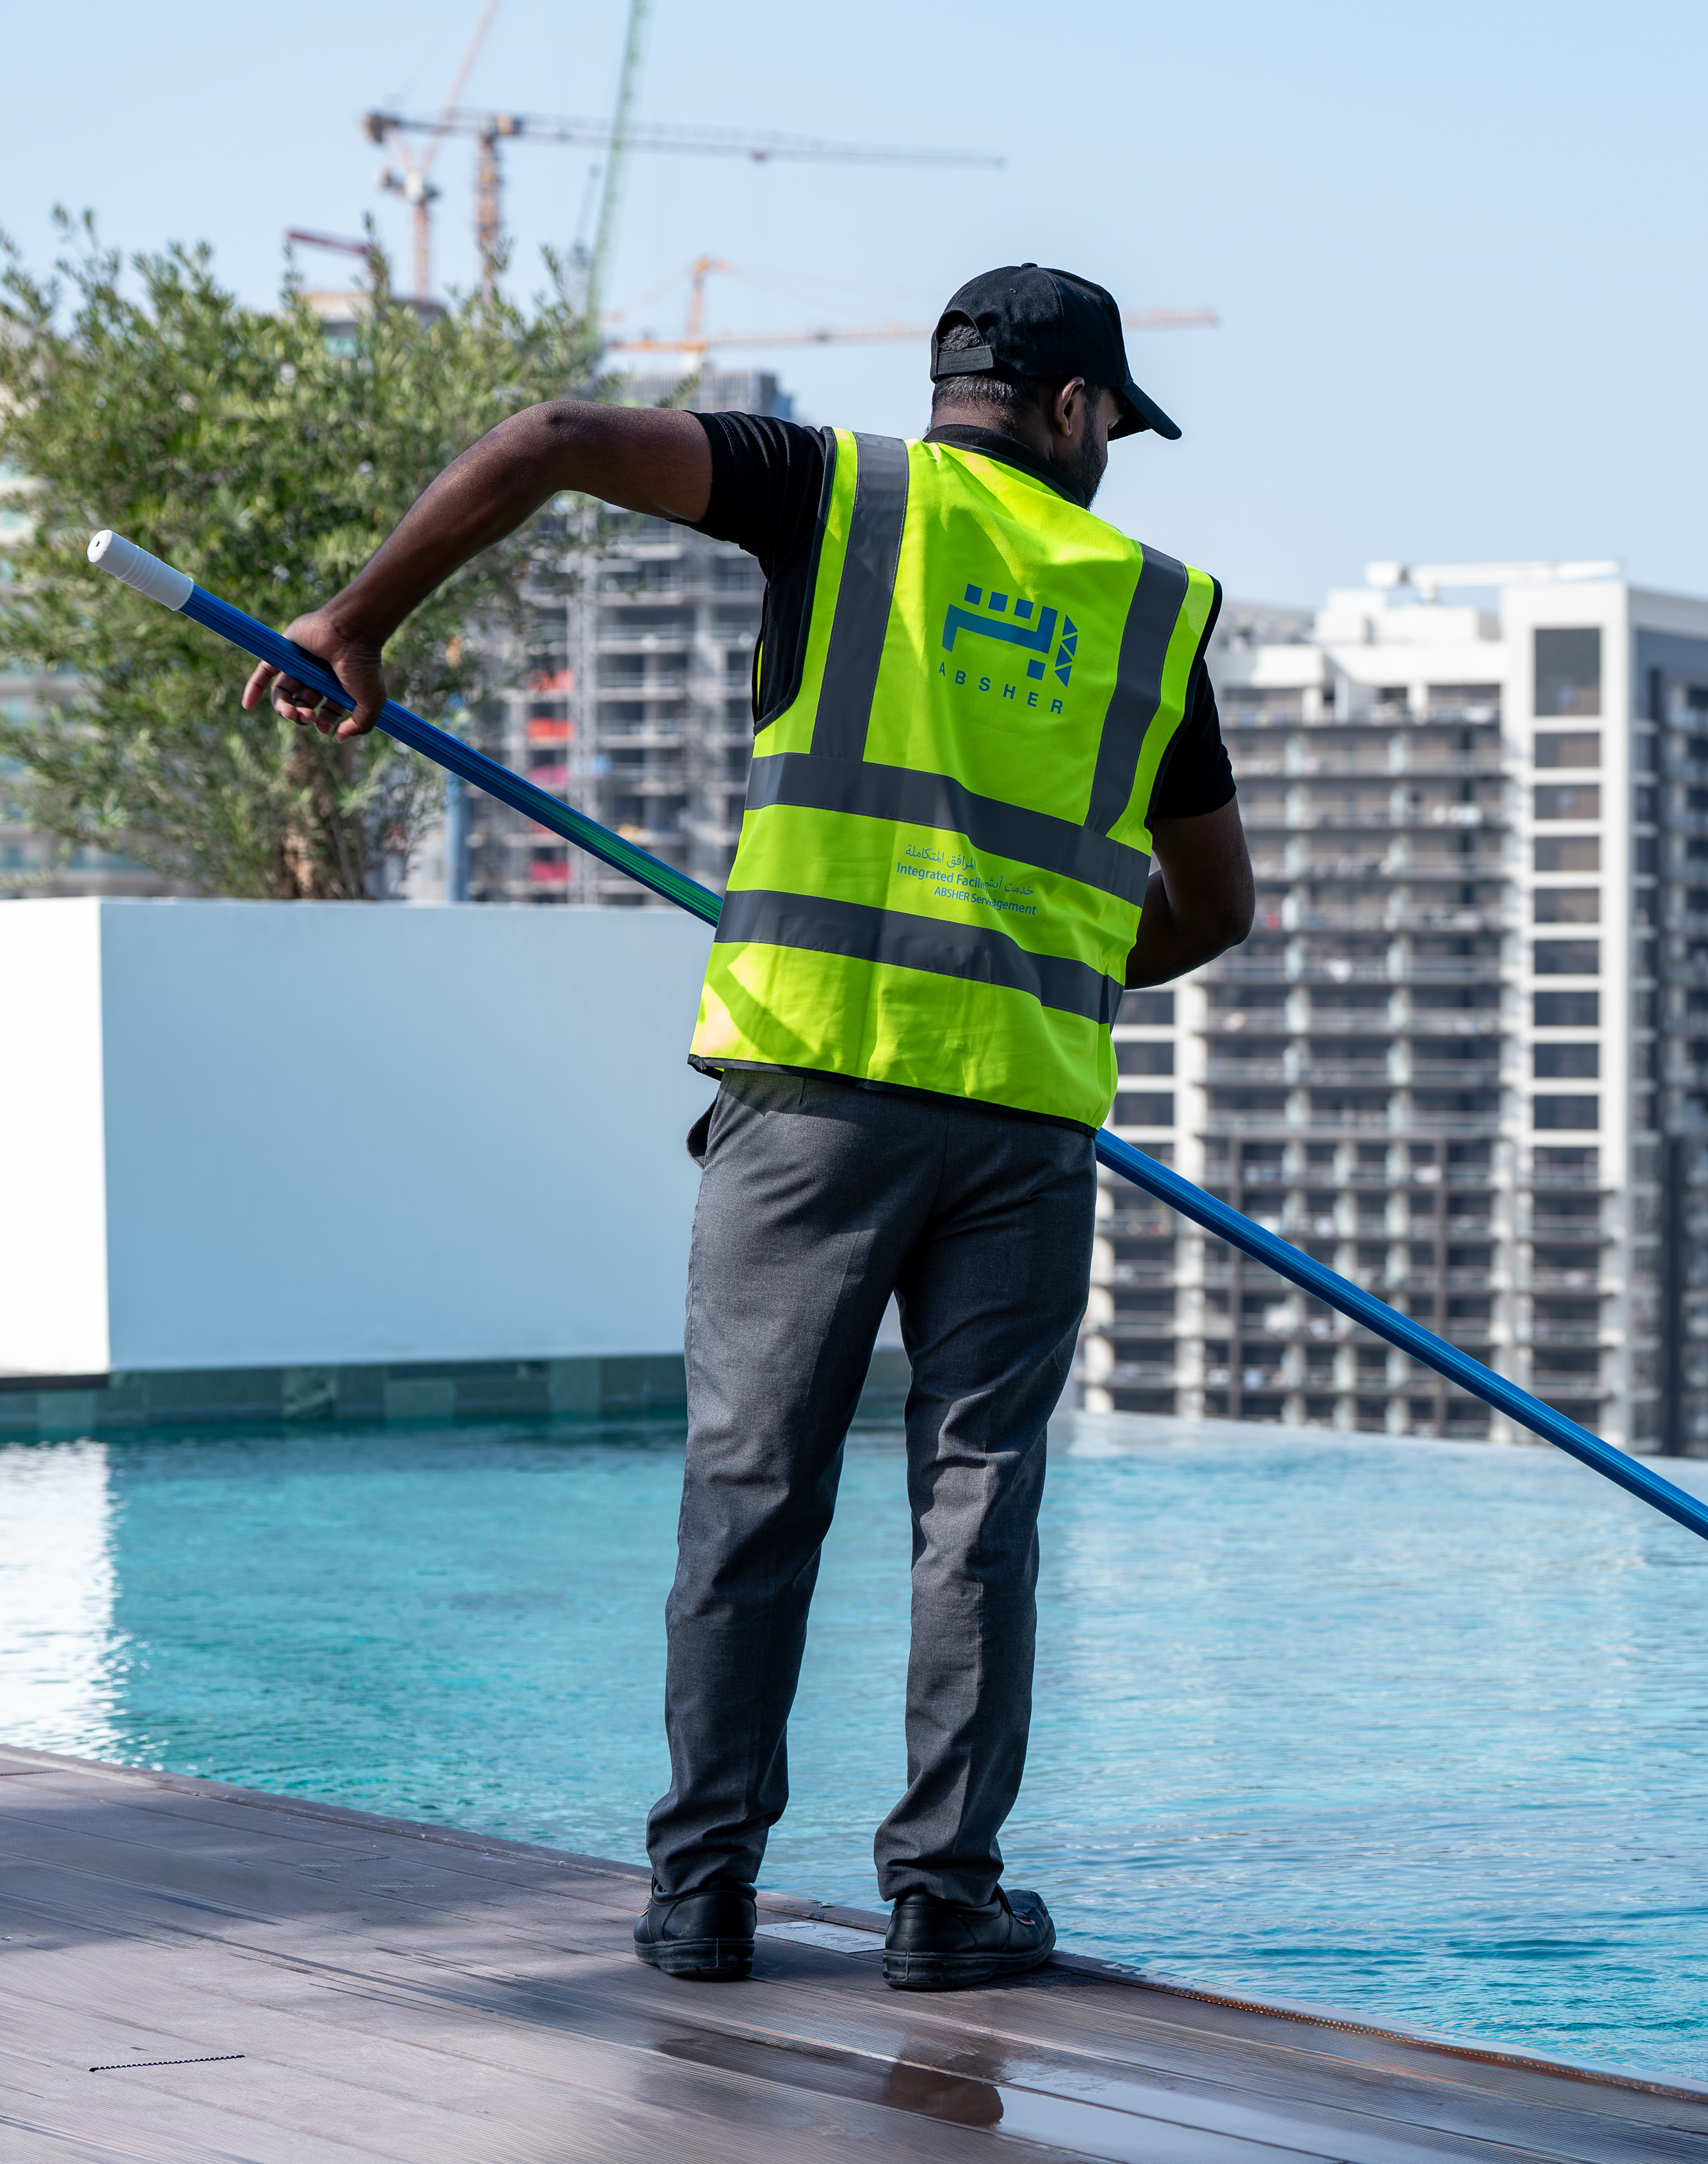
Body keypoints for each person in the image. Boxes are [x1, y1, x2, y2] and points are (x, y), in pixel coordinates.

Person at [245, 266, 1255, 1992]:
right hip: (1017, 1117)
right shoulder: (1152, 603)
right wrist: (1052, 958)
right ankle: (943, 1898)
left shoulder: (835, 493)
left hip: (809, 1094)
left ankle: (702, 1892)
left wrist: (357, 617)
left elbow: (559, 436)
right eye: (1113, 429)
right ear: (1077, 409)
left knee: (751, 1494)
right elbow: (1211, 907)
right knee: (976, 1509)